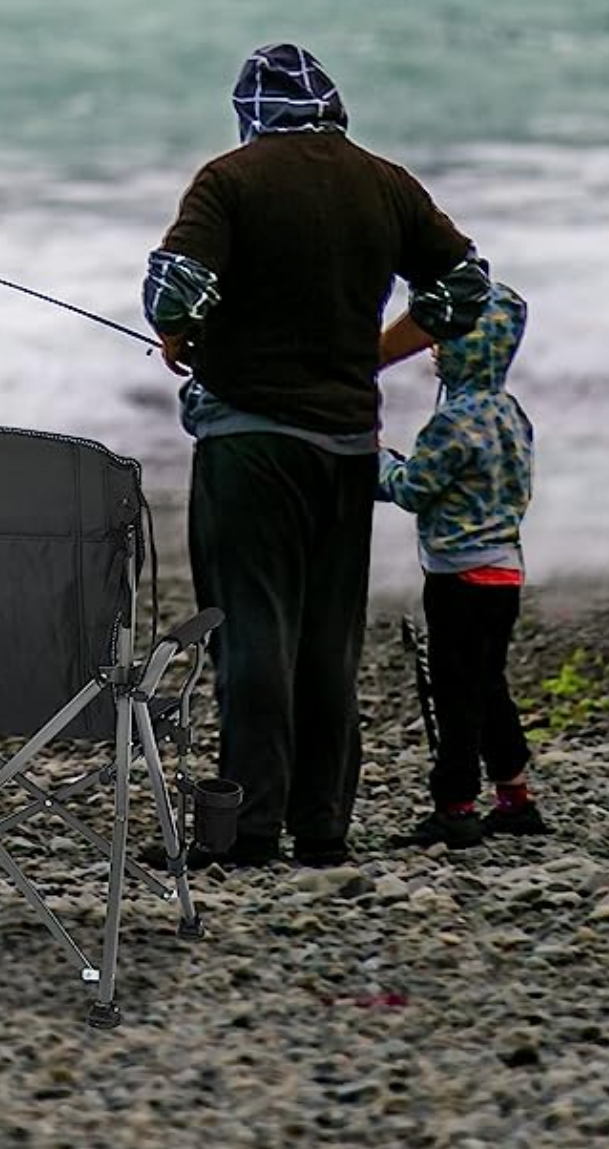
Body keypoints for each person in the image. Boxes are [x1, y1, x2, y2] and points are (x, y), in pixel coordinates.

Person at [141, 43, 491, 871]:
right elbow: (466, 290)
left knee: (254, 632)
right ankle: (323, 827)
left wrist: (177, 335)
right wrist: (373, 354)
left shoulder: (231, 180)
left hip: (250, 447)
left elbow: (172, 289)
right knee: (328, 639)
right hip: (347, 446)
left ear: (249, 115)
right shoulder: (386, 183)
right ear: (332, 111)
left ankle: (252, 827)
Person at [377, 281, 548, 848]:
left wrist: (374, 461)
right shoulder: (511, 414)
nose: (433, 349)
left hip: (458, 577)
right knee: (489, 682)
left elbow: (411, 491)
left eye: (444, 340)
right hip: (506, 572)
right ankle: (515, 796)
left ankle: (454, 806)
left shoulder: (452, 422)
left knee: (454, 691)